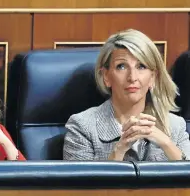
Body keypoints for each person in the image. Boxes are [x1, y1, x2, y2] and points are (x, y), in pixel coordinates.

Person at [63, 29, 190, 161]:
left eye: (141, 66)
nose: (132, 77)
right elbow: (80, 181)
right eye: (121, 66)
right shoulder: (82, 127)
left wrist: (167, 144)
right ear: (106, 76)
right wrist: (119, 150)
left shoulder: (175, 126)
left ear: (153, 77)